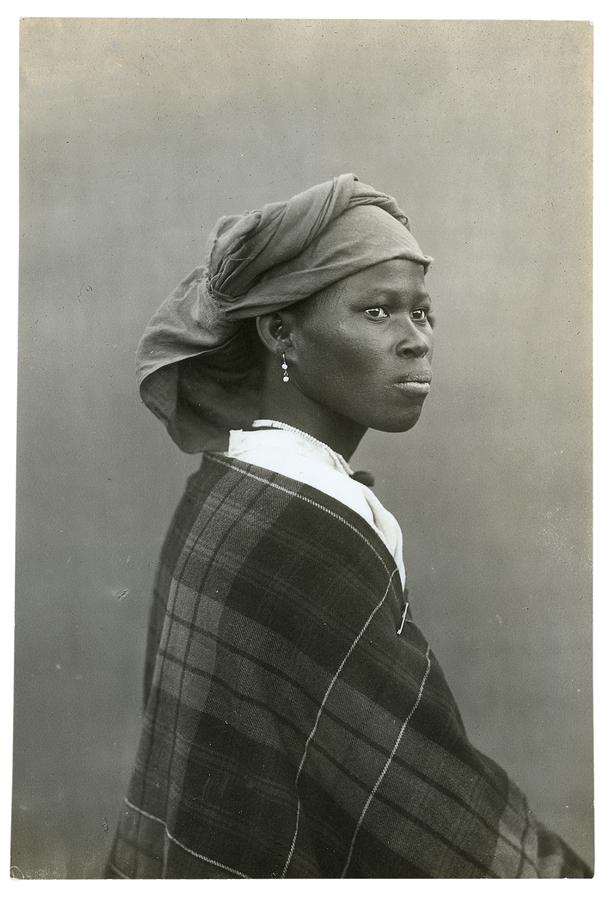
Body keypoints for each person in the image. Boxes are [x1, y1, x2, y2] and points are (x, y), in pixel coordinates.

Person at [106, 174, 591, 879]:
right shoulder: (301, 530)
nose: (414, 341)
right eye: (375, 312)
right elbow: (419, 800)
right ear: (281, 332)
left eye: (421, 314)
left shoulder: (232, 486)